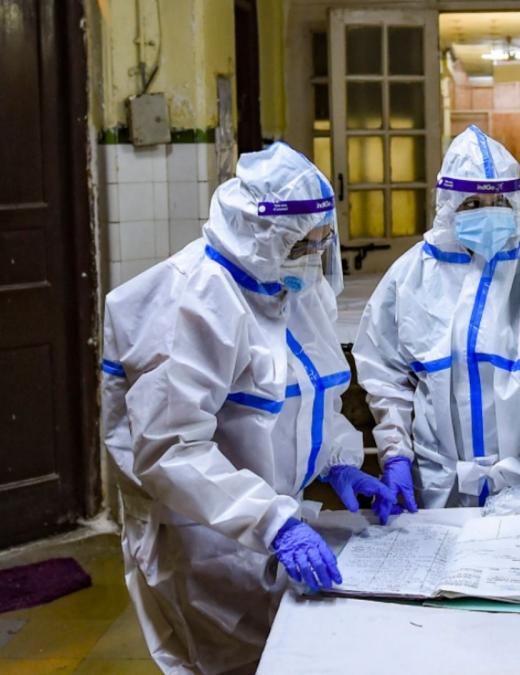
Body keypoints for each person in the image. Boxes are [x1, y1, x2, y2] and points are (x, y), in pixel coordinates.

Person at [100, 142, 397, 674]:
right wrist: (273, 523)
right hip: (203, 538)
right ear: (264, 235)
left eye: (322, 241)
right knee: (225, 664)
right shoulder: (194, 303)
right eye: (304, 243)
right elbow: (171, 451)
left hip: (266, 530)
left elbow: (309, 397)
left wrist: (339, 461)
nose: (315, 254)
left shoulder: (288, 289)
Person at [354, 125, 520, 531]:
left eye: (499, 201)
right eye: (473, 202)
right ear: (449, 206)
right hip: (436, 487)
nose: (488, 211)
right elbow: (384, 376)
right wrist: (396, 454)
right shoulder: (410, 276)